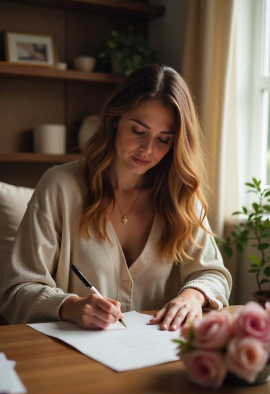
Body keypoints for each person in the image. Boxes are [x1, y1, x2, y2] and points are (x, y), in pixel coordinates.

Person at [0, 64, 232, 331]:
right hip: (71, 360)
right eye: (138, 131)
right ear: (114, 120)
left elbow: (213, 274)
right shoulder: (60, 187)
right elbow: (16, 290)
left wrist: (193, 295)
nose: (147, 149)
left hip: (158, 359)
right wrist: (69, 306)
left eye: (163, 140)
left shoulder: (180, 195)